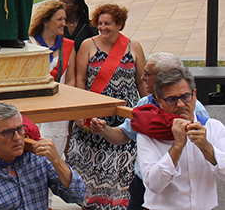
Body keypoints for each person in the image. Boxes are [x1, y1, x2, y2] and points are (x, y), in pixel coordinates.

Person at [88, 52, 208, 210]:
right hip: (142, 185)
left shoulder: (195, 110)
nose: (142, 78)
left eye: (147, 74)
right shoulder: (145, 104)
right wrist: (104, 129)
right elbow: (124, 135)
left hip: (176, 189)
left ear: (162, 77)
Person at [66, 3, 146, 210]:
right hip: (94, 119)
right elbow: (81, 81)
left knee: (123, 170)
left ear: (120, 24)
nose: (103, 27)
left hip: (125, 120)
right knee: (90, 167)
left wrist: (148, 111)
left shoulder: (134, 46)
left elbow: (142, 82)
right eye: (100, 23)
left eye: (108, 23)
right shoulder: (87, 45)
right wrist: (82, 115)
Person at [0, 102, 86, 210]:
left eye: (19, 129)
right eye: (8, 132)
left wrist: (57, 160)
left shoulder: (37, 160)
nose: (17, 138)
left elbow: (78, 195)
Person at [135, 67, 225, 210]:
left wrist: (206, 147)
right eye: (172, 99)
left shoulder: (214, 127)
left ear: (195, 95)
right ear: (160, 101)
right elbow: (154, 184)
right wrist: (177, 147)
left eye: (185, 96)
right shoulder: (148, 134)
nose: (181, 104)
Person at [26, 0, 75, 160]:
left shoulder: (68, 45)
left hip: (57, 110)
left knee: (55, 156)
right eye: (59, 19)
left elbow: (71, 80)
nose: (64, 23)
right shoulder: (28, 44)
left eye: (64, 19)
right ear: (45, 21)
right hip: (33, 107)